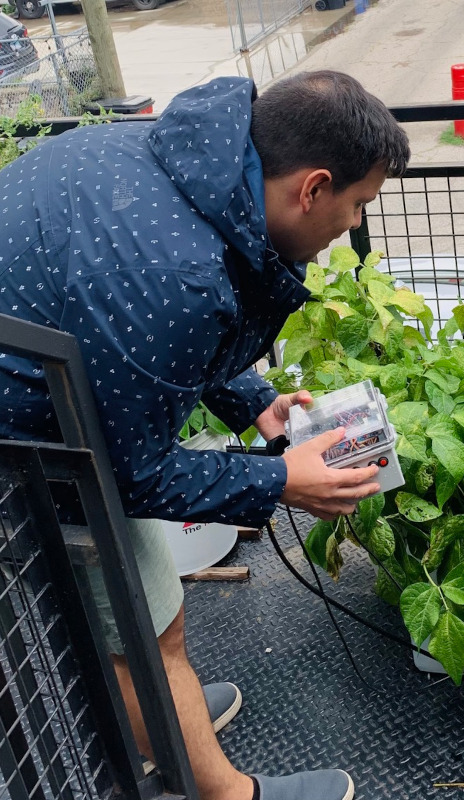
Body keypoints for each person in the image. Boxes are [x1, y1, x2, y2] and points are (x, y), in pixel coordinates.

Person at [0, 70, 410, 800]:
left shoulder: (193, 164)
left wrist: (255, 402)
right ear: (312, 188)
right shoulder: (172, 273)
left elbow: (145, 334)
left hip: (55, 393)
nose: (352, 228)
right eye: (356, 207)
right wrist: (284, 479)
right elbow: (131, 477)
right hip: (25, 442)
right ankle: (220, 787)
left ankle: (163, 715)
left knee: (151, 617)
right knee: (138, 627)